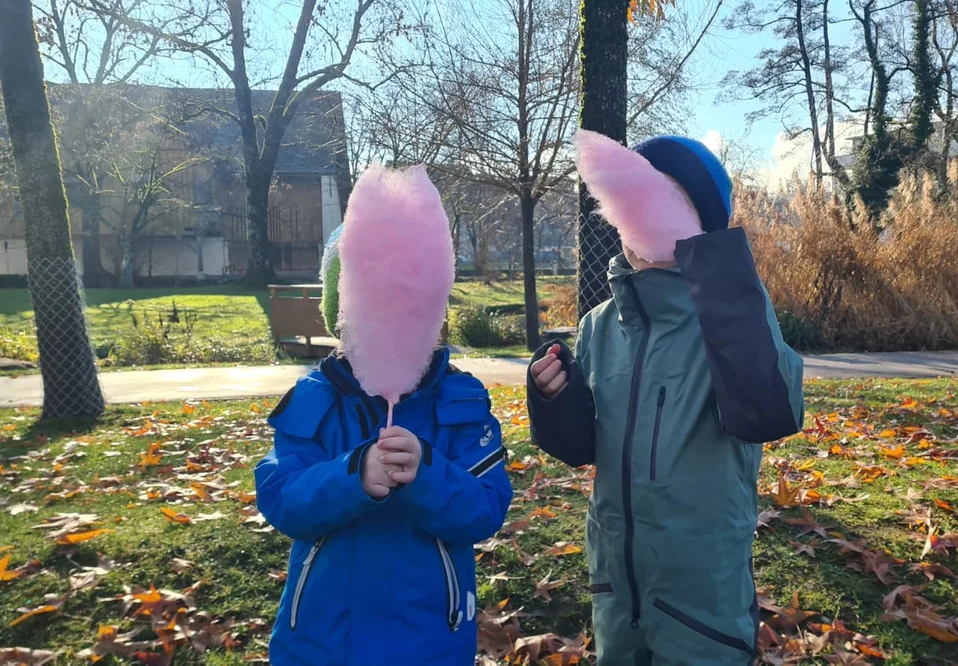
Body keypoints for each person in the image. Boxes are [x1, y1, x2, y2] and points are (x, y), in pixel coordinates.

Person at [528, 134, 805, 666]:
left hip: (703, 588)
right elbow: (585, 444)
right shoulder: (600, 324)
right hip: (618, 574)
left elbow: (771, 409)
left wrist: (721, 281)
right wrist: (554, 398)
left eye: (668, 197)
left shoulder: (732, 316)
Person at [256, 219, 513, 664]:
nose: (392, 322)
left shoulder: (461, 404)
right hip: (322, 640)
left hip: (431, 639)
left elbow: (486, 509)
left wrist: (426, 475)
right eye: (371, 307)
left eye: (410, 307)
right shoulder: (312, 402)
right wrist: (351, 476)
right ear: (342, 316)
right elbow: (280, 498)